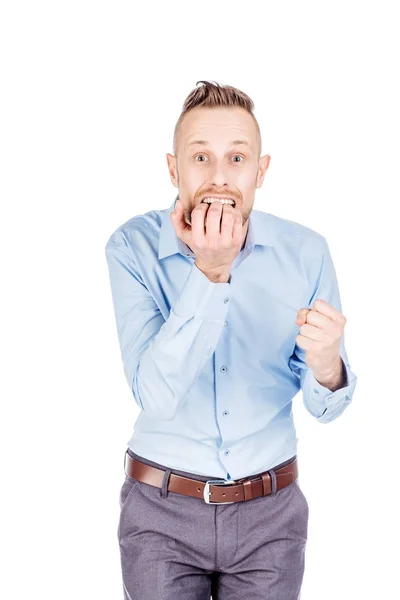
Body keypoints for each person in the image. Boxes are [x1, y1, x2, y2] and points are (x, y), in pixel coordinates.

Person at [104, 80, 358, 600]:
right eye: (201, 157)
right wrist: (210, 273)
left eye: (237, 158)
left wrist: (328, 365)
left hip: (271, 517)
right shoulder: (131, 248)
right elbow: (156, 396)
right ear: (174, 169)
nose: (219, 178)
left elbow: (326, 406)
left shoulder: (306, 253)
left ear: (260, 171)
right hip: (160, 514)